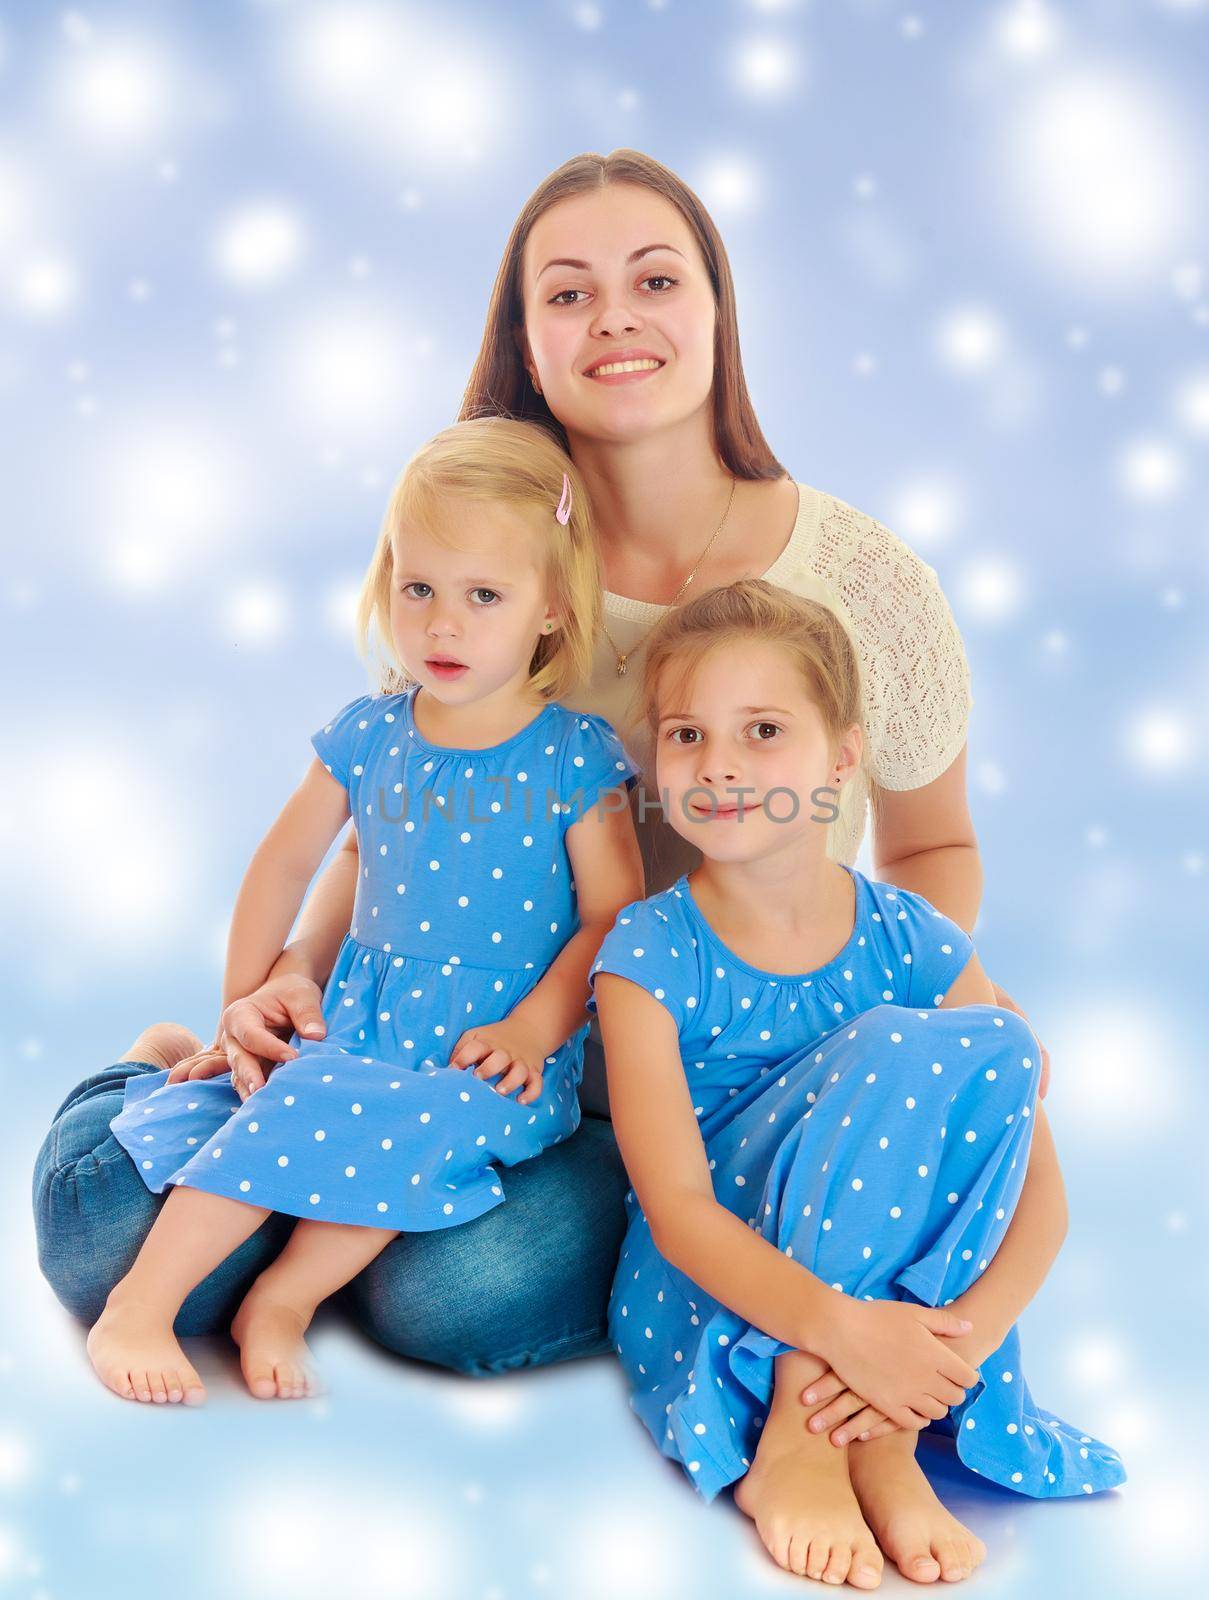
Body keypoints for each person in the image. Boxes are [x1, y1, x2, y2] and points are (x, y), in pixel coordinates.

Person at [35, 150, 1051, 1409]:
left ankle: (331, 1226)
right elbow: (398, 828)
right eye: (567, 293)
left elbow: (935, 850)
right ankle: (188, 1098)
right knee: (99, 1237)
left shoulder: (866, 585)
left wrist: (891, 983)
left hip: (674, 1092)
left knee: (456, 1293)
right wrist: (283, 976)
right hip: (432, 1042)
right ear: (525, 338)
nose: (616, 315)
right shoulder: (491, 565)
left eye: (657, 278)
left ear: (718, 311)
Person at [84, 417, 643, 1404]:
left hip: (489, 1045)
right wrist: (240, 1007)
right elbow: (282, 861)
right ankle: (141, 1299)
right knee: (279, 1103)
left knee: (420, 1133)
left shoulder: (575, 756)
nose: (441, 625)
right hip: (367, 1017)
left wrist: (533, 1026)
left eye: (483, 596)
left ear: (552, 608)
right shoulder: (372, 732)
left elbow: (614, 916)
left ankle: (285, 1300)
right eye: (416, 587)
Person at [589, 579, 1123, 1587]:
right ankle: (802, 1419)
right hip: (722, 1285)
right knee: (902, 1041)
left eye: (763, 729)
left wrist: (938, 1362)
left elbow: (1038, 1191)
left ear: (840, 759)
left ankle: (878, 1433)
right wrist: (839, 1332)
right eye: (688, 735)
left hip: (901, 1322)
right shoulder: (649, 953)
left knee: (1005, 1043)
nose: (723, 765)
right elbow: (680, 1212)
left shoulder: (910, 936)